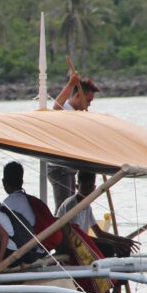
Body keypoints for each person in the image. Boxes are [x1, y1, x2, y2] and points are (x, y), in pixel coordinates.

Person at [50, 70, 101, 207]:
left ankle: (72, 227)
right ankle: (60, 228)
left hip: (69, 166)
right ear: (79, 96)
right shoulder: (66, 108)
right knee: (63, 207)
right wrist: (71, 83)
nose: (89, 105)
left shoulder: (79, 114)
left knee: (71, 206)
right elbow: (56, 107)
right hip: (59, 166)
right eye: (88, 101)